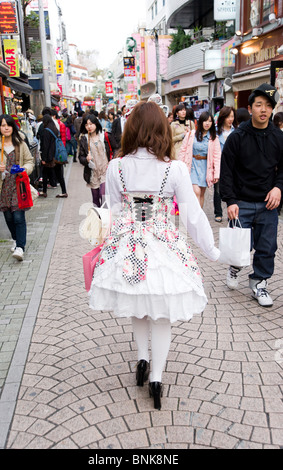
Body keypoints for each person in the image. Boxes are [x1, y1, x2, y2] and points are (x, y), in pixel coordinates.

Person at [88, 101, 220, 410]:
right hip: (163, 243)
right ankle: (157, 377)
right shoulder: (174, 168)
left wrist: (108, 245)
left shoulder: (116, 166)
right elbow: (192, 216)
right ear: (162, 129)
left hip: (128, 242)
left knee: (138, 302)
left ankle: (142, 360)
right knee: (161, 310)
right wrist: (212, 251)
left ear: (131, 128)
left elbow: (113, 211)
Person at [220, 83, 283, 307]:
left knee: (267, 247)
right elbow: (226, 171)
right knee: (241, 247)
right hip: (242, 202)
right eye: (259, 105)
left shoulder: (278, 137)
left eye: (268, 106)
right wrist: (231, 201)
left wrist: (278, 188)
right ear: (250, 108)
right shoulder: (237, 137)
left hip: (268, 204)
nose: (263, 110)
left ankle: (259, 283)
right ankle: (235, 267)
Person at [0, 114, 34, 261]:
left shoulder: (20, 143)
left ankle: (20, 247)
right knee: (8, 217)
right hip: (2, 187)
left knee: (18, 217)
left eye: (9, 125)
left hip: (18, 186)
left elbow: (30, 161)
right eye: (3, 125)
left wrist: (23, 169)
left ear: (13, 127)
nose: (6, 128)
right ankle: (15, 238)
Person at [179, 111, 221, 208]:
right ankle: (196, 216)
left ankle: (199, 215)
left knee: (201, 193)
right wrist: (180, 167)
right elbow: (183, 150)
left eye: (210, 121)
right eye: (205, 121)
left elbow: (217, 156)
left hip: (205, 167)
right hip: (192, 165)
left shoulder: (214, 138)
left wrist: (216, 173)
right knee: (196, 191)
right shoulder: (191, 135)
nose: (207, 123)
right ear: (201, 122)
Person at [78, 114, 110, 207]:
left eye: (91, 124)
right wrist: (86, 159)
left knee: (103, 195)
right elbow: (81, 157)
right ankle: (97, 219)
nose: (89, 127)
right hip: (93, 173)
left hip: (105, 171)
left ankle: (106, 218)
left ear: (96, 124)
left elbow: (114, 149)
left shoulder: (104, 136)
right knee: (95, 199)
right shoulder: (84, 139)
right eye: (86, 125)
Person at [214, 106, 237, 222]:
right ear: (223, 118)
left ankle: (231, 212)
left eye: (232, 116)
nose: (230, 119)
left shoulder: (236, 131)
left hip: (233, 165)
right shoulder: (216, 132)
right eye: (228, 116)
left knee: (232, 188)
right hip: (219, 164)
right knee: (218, 189)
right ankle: (218, 212)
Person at [40, 115, 68, 198]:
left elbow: (45, 146)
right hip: (57, 156)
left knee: (45, 173)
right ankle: (64, 191)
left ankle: (44, 191)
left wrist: (44, 158)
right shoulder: (55, 129)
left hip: (50, 156)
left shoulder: (46, 131)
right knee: (60, 175)